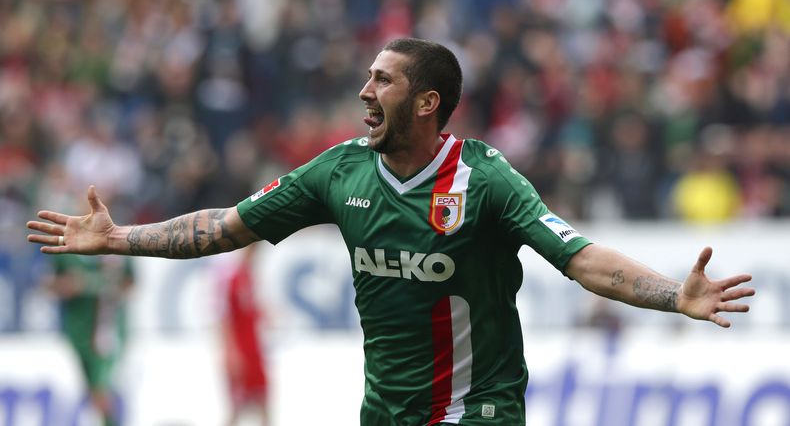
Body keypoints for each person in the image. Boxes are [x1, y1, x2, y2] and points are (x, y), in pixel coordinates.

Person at [27, 38, 755, 426]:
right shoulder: (339, 173)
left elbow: (580, 258)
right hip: (385, 410)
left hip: (479, 410)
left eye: (383, 81)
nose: (364, 92)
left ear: (428, 101)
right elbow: (225, 227)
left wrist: (670, 294)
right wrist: (121, 236)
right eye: (368, 78)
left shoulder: (487, 180)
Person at [45, 252, 135, 426]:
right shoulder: (66, 250)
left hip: (106, 328)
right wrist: (68, 286)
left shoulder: (117, 246)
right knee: (93, 389)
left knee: (101, 388)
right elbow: (51, 285)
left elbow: (130, 284)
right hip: (78, 331)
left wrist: (93, 284)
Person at [216, 245, 270, 426]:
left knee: (264, 401)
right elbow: (223, 318)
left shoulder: (249, 276)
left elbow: (250, 311)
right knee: (237, 407)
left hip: (254, 350)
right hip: (240, 351)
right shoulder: (231, 277)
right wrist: (230, 352)